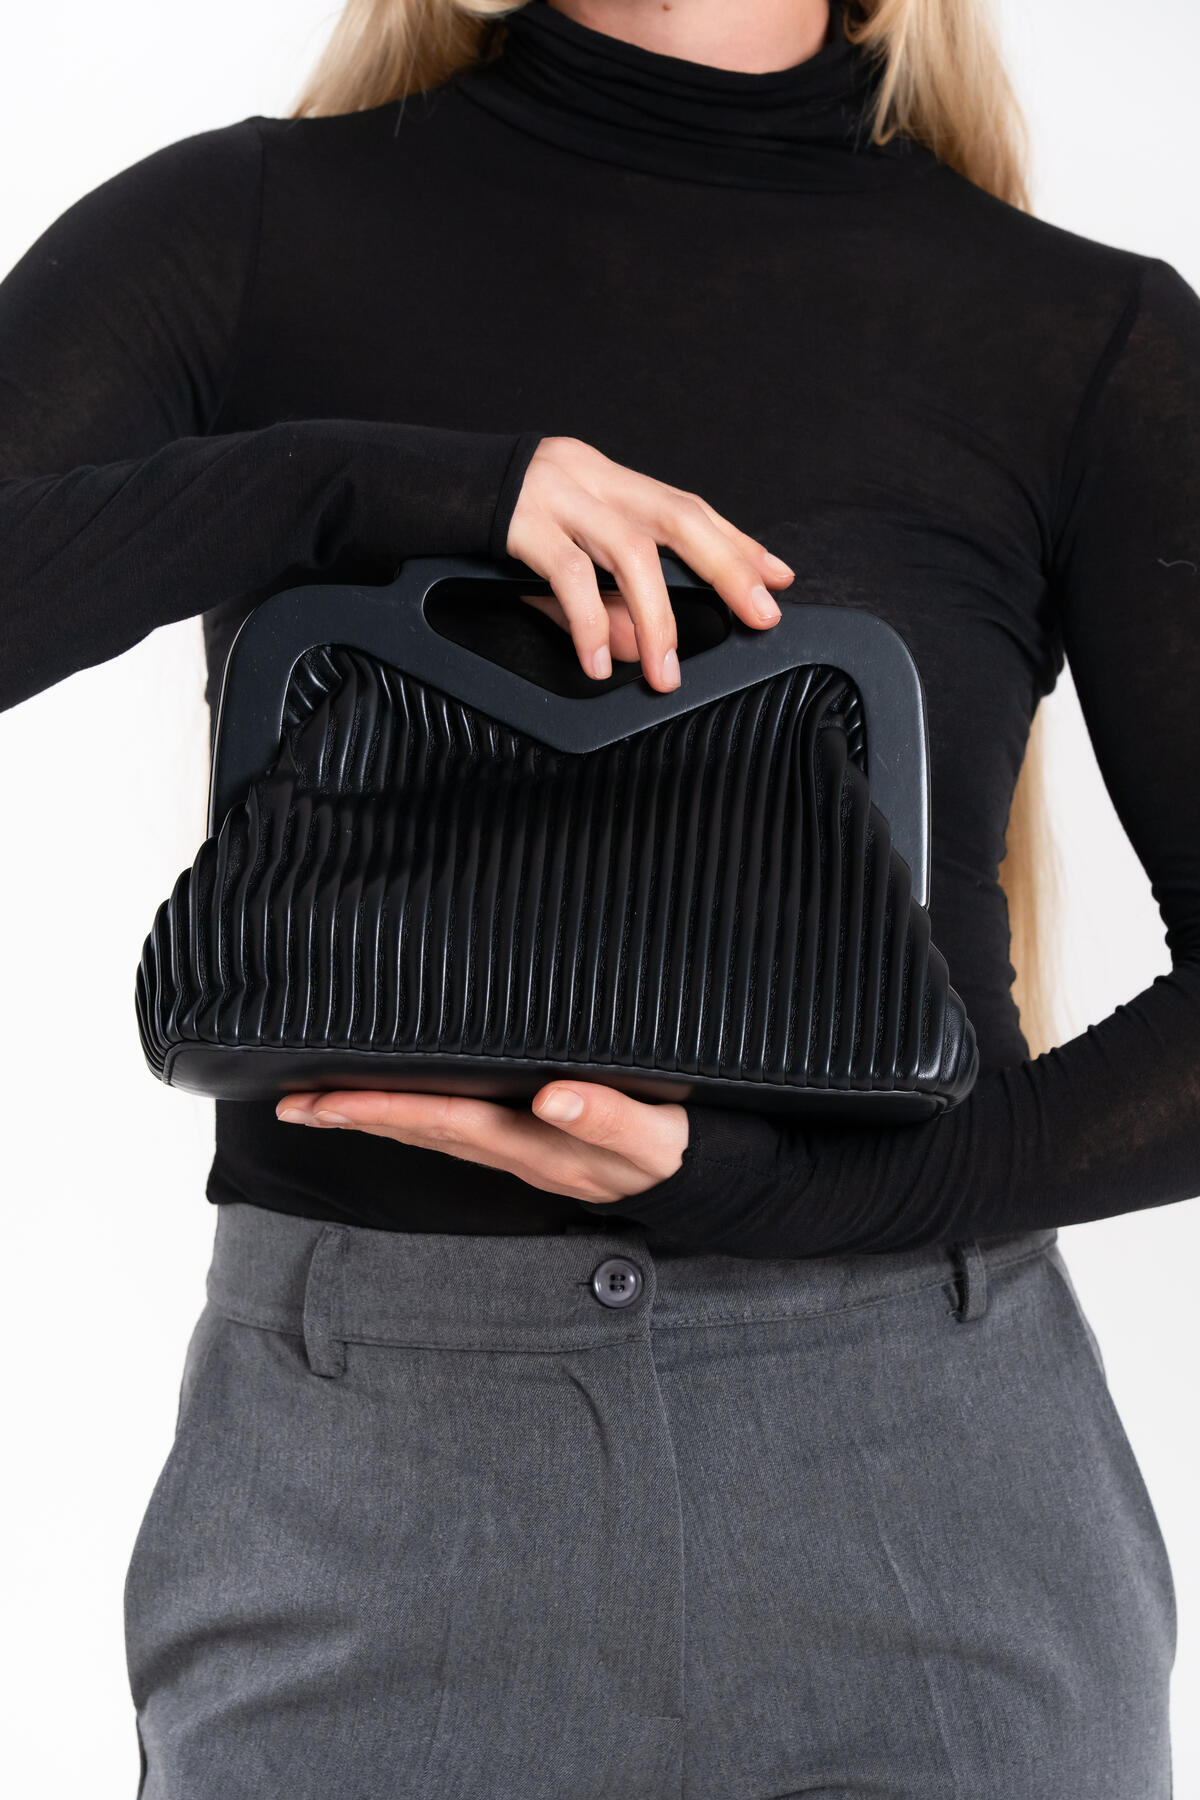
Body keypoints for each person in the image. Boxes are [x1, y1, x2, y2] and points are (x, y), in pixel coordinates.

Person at [1, 0, 1194, 1793]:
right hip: (371, 1510)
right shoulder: (240, 235)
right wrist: (369, 484)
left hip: (926, 1498)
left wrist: (792, 1199)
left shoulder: (1082, 333)